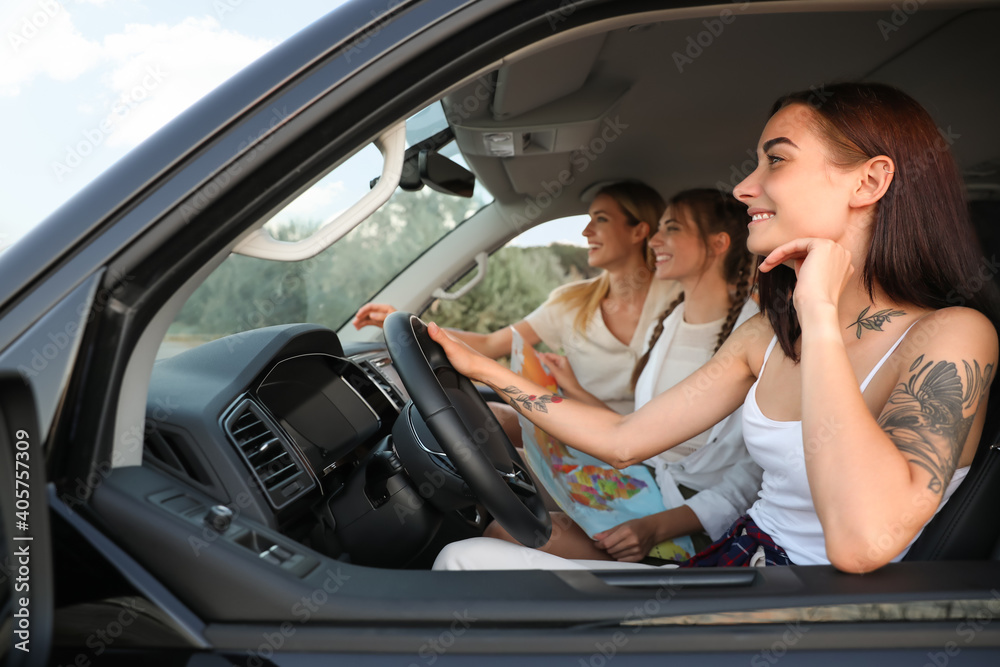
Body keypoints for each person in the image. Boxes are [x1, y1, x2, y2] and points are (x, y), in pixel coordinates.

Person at [428, 82, 999, 573]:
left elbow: (860, 543)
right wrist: (479, 368)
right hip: (734, 567)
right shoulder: (768, 339)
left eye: (776, 160)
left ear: (869, 182)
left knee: (467, 562)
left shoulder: (951, 337)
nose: (745, 188)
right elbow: (623, 442)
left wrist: (820, 312)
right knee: (471, 554)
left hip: (809, 612)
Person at [482, 188, 761, 563]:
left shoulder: (757, 337)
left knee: (502, 531)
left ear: (718, 244)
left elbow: (752, 478)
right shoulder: (666, 325)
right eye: (657, 228)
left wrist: (655, 529)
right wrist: (575, 389)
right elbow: (638, 429)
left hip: (689, 521)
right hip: (645, 482)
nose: (655, 240)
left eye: (672, 229)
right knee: (499, 473)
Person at [354, 181, 680, 415]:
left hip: (653, 450)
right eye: (589, 219)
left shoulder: (680, 299)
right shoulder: (570, 301)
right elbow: (492, 344)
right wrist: (411, 324)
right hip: (577, 432)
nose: (586, 231)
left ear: (639, 231)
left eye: (601, 219)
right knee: (491, 418)